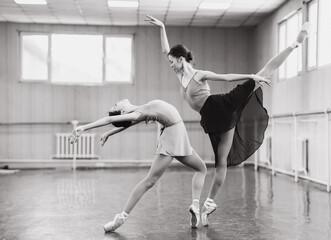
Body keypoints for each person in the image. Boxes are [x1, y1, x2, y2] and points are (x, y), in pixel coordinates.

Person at [146, 14, 310, 226]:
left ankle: (295, 43)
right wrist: (161, 27)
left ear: (180, 59)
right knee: (220, 162)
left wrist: (251, 77)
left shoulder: (199, 74)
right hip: (211, 119)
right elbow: (164, 50)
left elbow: (226, 77)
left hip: (221, 107)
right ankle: (208, 204)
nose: (169, 65)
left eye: (171, 61)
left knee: (262, 74)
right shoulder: (180, 76)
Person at [69, 99, 207, 231]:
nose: (118, 101)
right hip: (173, 134)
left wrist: (109, 133)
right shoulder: (139, 113)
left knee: (201, 169)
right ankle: (121, 217)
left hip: (178, 132)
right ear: (123, 112)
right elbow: (109, 119)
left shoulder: (140, 111)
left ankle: (195, 205)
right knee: (149, 181)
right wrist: (84, 128)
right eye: (116, 105)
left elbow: (130, 123)